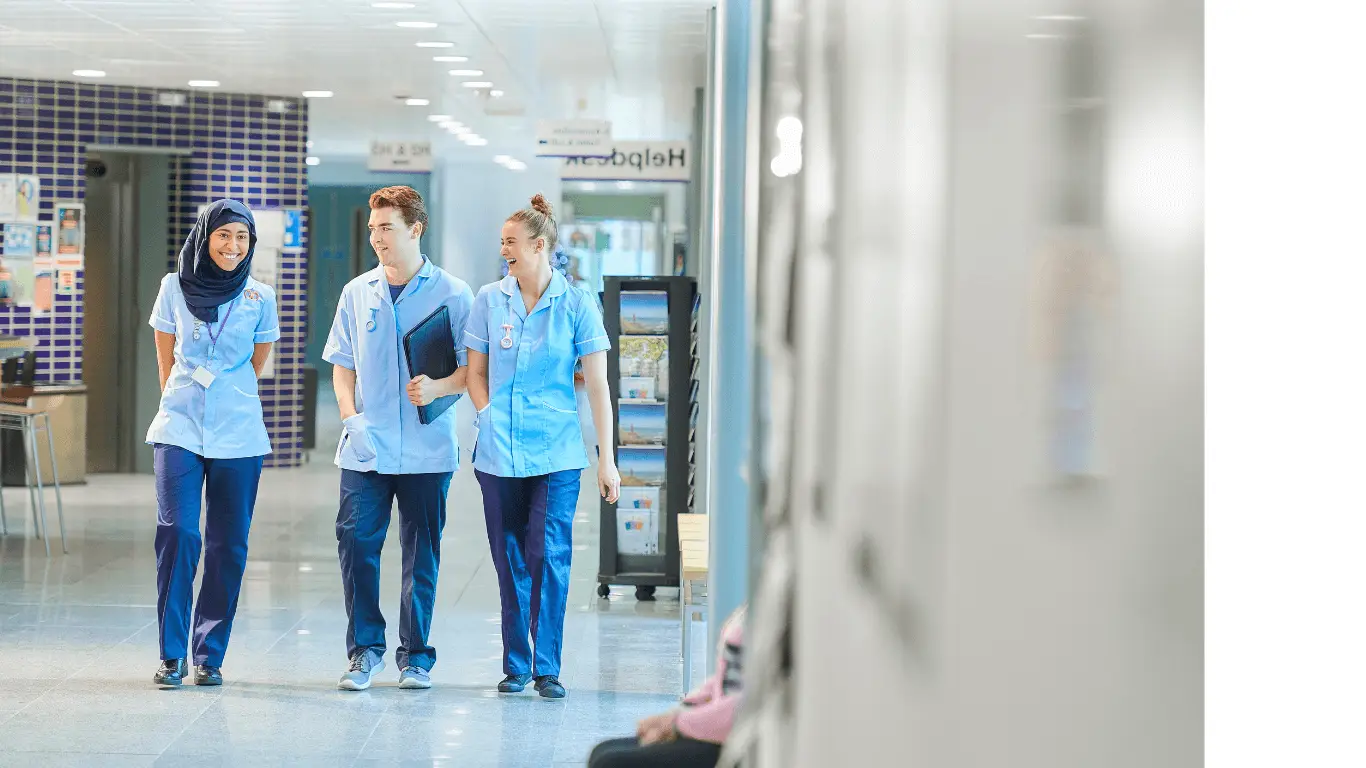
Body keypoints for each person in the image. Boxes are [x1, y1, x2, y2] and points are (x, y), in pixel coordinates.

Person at [465, 193, 620, 699]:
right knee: (508, 557)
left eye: (511, 242)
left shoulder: (577, 304)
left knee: (549, 554)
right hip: (497, 452)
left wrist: (608, 461)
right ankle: (515, 663)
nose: (504, 249)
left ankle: (547, 666)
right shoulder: (490, 299)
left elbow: (598, 386)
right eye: (502, 243)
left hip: (556, 453)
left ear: (540, 246)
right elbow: (476, 373)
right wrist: (487, 417)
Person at [323, 185, 474, 691]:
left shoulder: (453, 293)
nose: (377, 238)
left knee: (420, 552)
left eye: (386, 228)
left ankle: (416, 656)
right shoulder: (356, 292)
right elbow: (341, 366)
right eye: (372, 229)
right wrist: (350, 418)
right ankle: (365, 650)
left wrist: (439, 385)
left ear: (415, 229)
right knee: (355, 544)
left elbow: (473, 372)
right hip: (366, 447)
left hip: (428, 449)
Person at [146, 199, 280, 687]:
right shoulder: (172, 288)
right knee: (179, 533)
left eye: (242, 237)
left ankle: (210, 654)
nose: (233, 246)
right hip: (179, 426)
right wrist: (180, 399)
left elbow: (255, 361)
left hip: (239, 432)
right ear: (205, 237)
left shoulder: (260, 297)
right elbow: (165, 355)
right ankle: (172, 652)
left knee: (229, 545)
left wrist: (226, 393)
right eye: (224, 235)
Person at [587, 607, 746, 767]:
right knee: (601, 751)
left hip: (740, 745)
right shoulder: (752, 607)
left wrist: (676, 724)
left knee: (609, 763)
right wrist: (679, 713)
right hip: (717, 729)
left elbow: (745, 706)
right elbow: (722, 679)